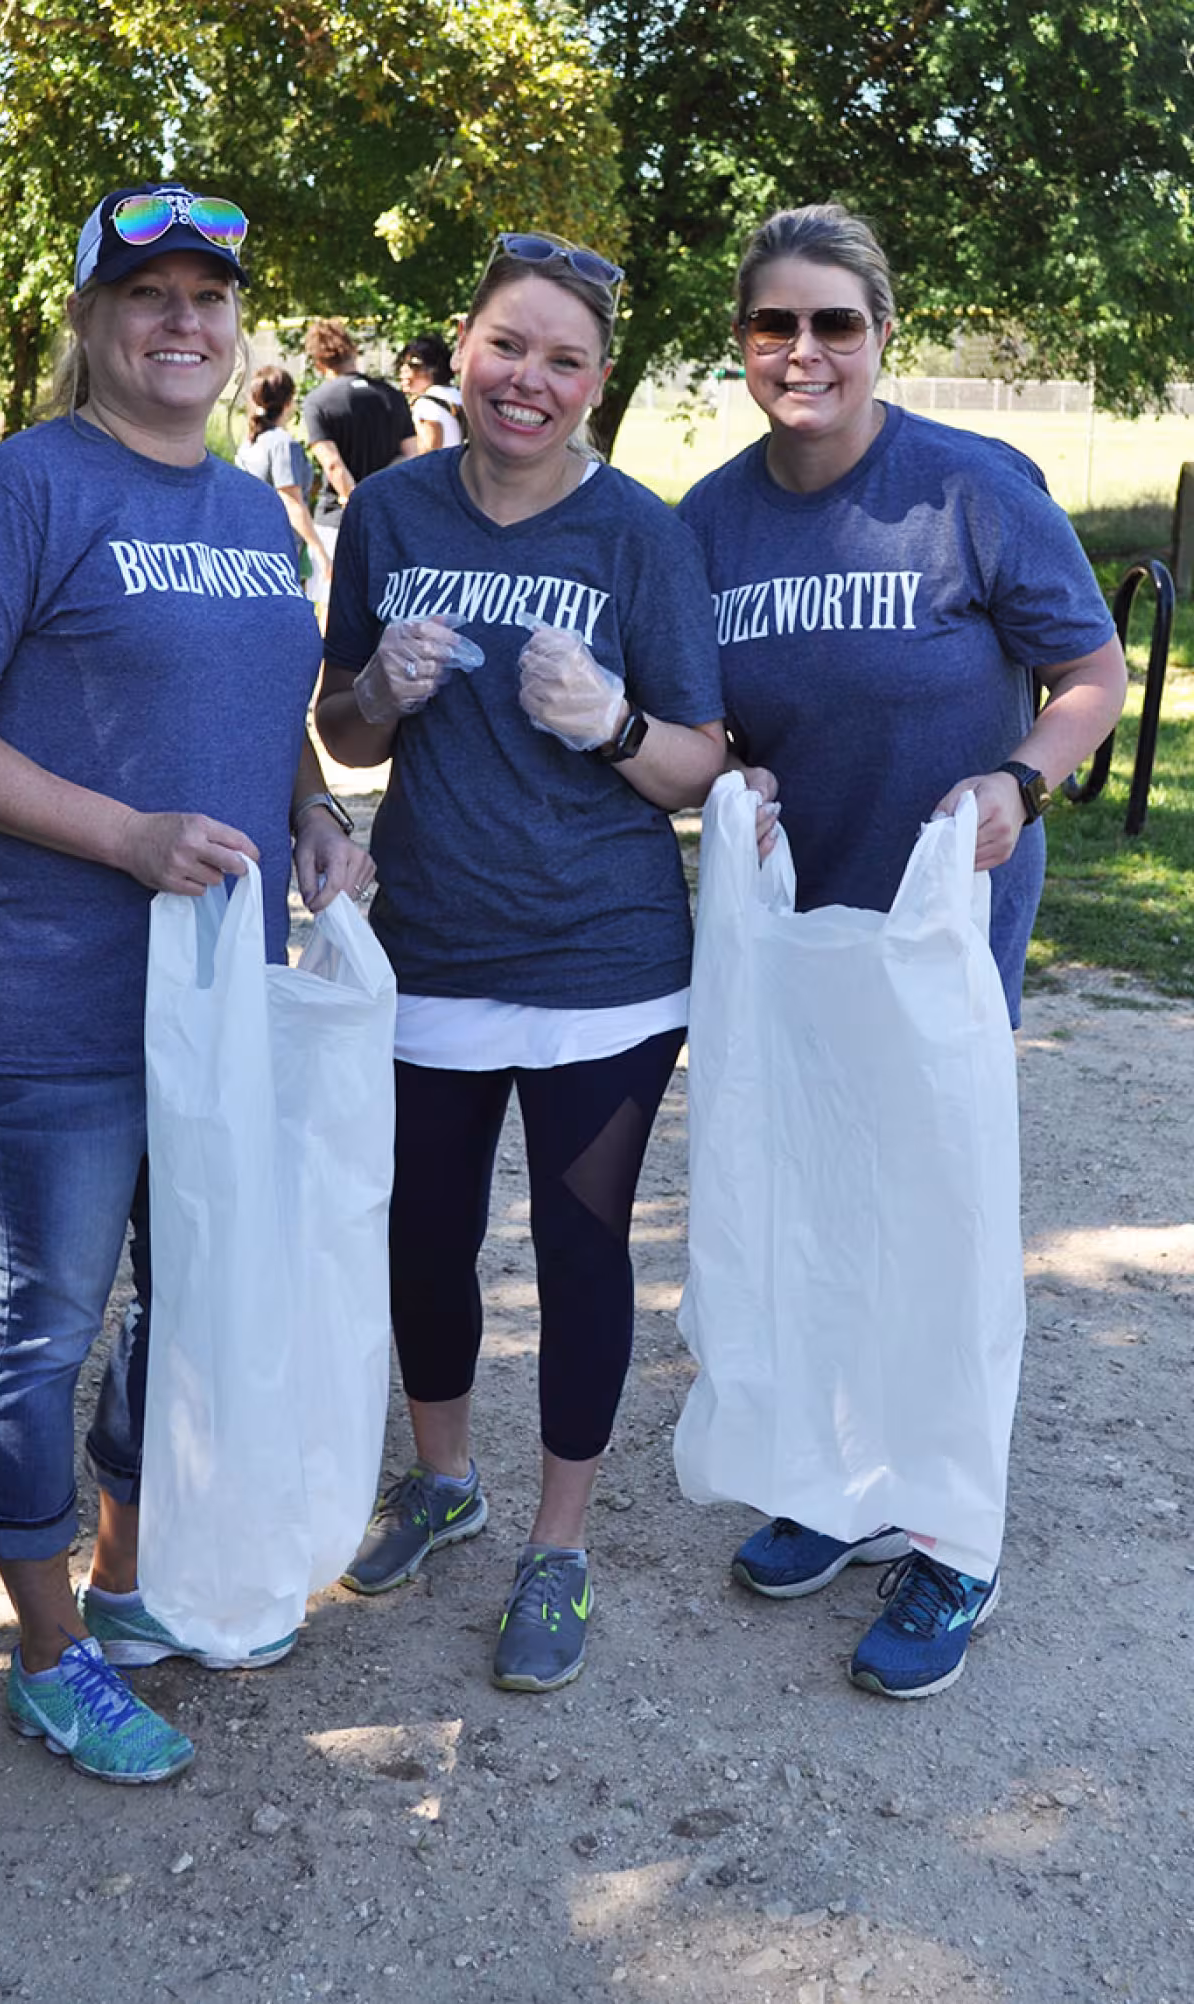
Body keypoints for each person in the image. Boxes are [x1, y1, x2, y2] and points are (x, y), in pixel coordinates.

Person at [0, 181, 375, 1785]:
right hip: (50, 996)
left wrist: (311, 815)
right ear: (89, 322)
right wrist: (128, 836)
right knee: (45, 1320)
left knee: (193, 1299)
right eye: (146, 294)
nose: (182, 321)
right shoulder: (10, 495)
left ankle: (129, 1583)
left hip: (221, 993)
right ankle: (45, 1649)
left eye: (209, 297)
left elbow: (268, 710)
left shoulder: (248, 512)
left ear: (240, 332)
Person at [315, 228, 777, 1695]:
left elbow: (702, 762)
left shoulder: (642, 536)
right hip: (434, 946)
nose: (531, 379)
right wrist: (378, 688)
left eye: (565, 359)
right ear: (462, 349)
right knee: (423, 1242)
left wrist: (613, 728)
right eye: (510, 346)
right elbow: (341, 729)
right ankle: (444, 1484)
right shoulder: (388, 514)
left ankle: (559, 1546)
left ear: (597, 380)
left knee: (582, 1254)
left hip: (609, 964)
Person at [678, 202, 1126, 1699]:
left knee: (934, 1223)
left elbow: (1088, 672)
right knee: (818, 1199)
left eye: (833, 324)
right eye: (772, 324)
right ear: (742, 340)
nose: (801, 352)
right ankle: (845, 1488)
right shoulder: (711, 520)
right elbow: (715, 722)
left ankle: (954, 1538)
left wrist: (1020, 779)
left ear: (883, 334)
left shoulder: (970, 489)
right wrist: (731, 770)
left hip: (943, 924)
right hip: (803, 933)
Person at [301, 318, 417, 602]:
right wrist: (377, 493)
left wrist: (355, 499)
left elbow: (332, 464)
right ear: (354, 352)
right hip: (388, 516)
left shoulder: (318, 401)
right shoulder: (392, 396)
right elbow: (412, 455)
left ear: (319, 362)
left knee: (334, 605)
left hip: (337, 519)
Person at [236, 364, 331, 595]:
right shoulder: (282, 444)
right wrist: (320, 551)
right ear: (289, 402)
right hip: (281, 553)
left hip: (249, 547)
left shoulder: (248, 443)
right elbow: (291, 502)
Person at [396, 334, 463, 451]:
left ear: (434, 369)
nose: (403, 370)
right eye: (402, 364)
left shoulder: (426, 405)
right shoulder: (457, 395)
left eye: (413, 365)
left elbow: (427, 453)